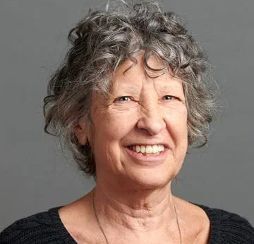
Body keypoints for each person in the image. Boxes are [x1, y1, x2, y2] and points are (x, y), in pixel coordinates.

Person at [1, 1, 254, 243]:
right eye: (125, 99)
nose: (153, 124)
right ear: (80, 123)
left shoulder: (239, 236)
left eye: (169, 97)